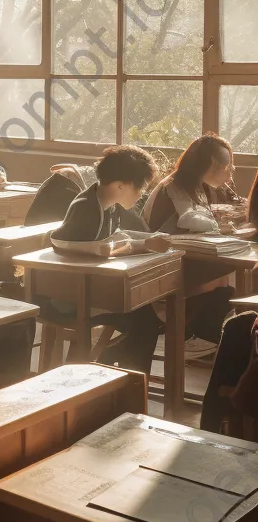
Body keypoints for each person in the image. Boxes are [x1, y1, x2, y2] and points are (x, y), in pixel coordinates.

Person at [49, 145, 170, 374]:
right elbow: (92, 248)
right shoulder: (85, 208)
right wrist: (144, 244)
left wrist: (150, 239)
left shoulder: (109, 204)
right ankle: (125, 380)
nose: (142, 193)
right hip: (69, 296)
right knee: (144, 320)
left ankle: (117, 373)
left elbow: (118, 237)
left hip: (91, 289)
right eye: (141, 187)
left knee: (144, 315)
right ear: (120, 186)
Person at [143, 134, 243, 234]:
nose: (230, 174)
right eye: (228, 168)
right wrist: (217, 226)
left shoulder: (195, 183)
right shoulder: (174, 184)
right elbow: (187, 219)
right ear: (213, 163)